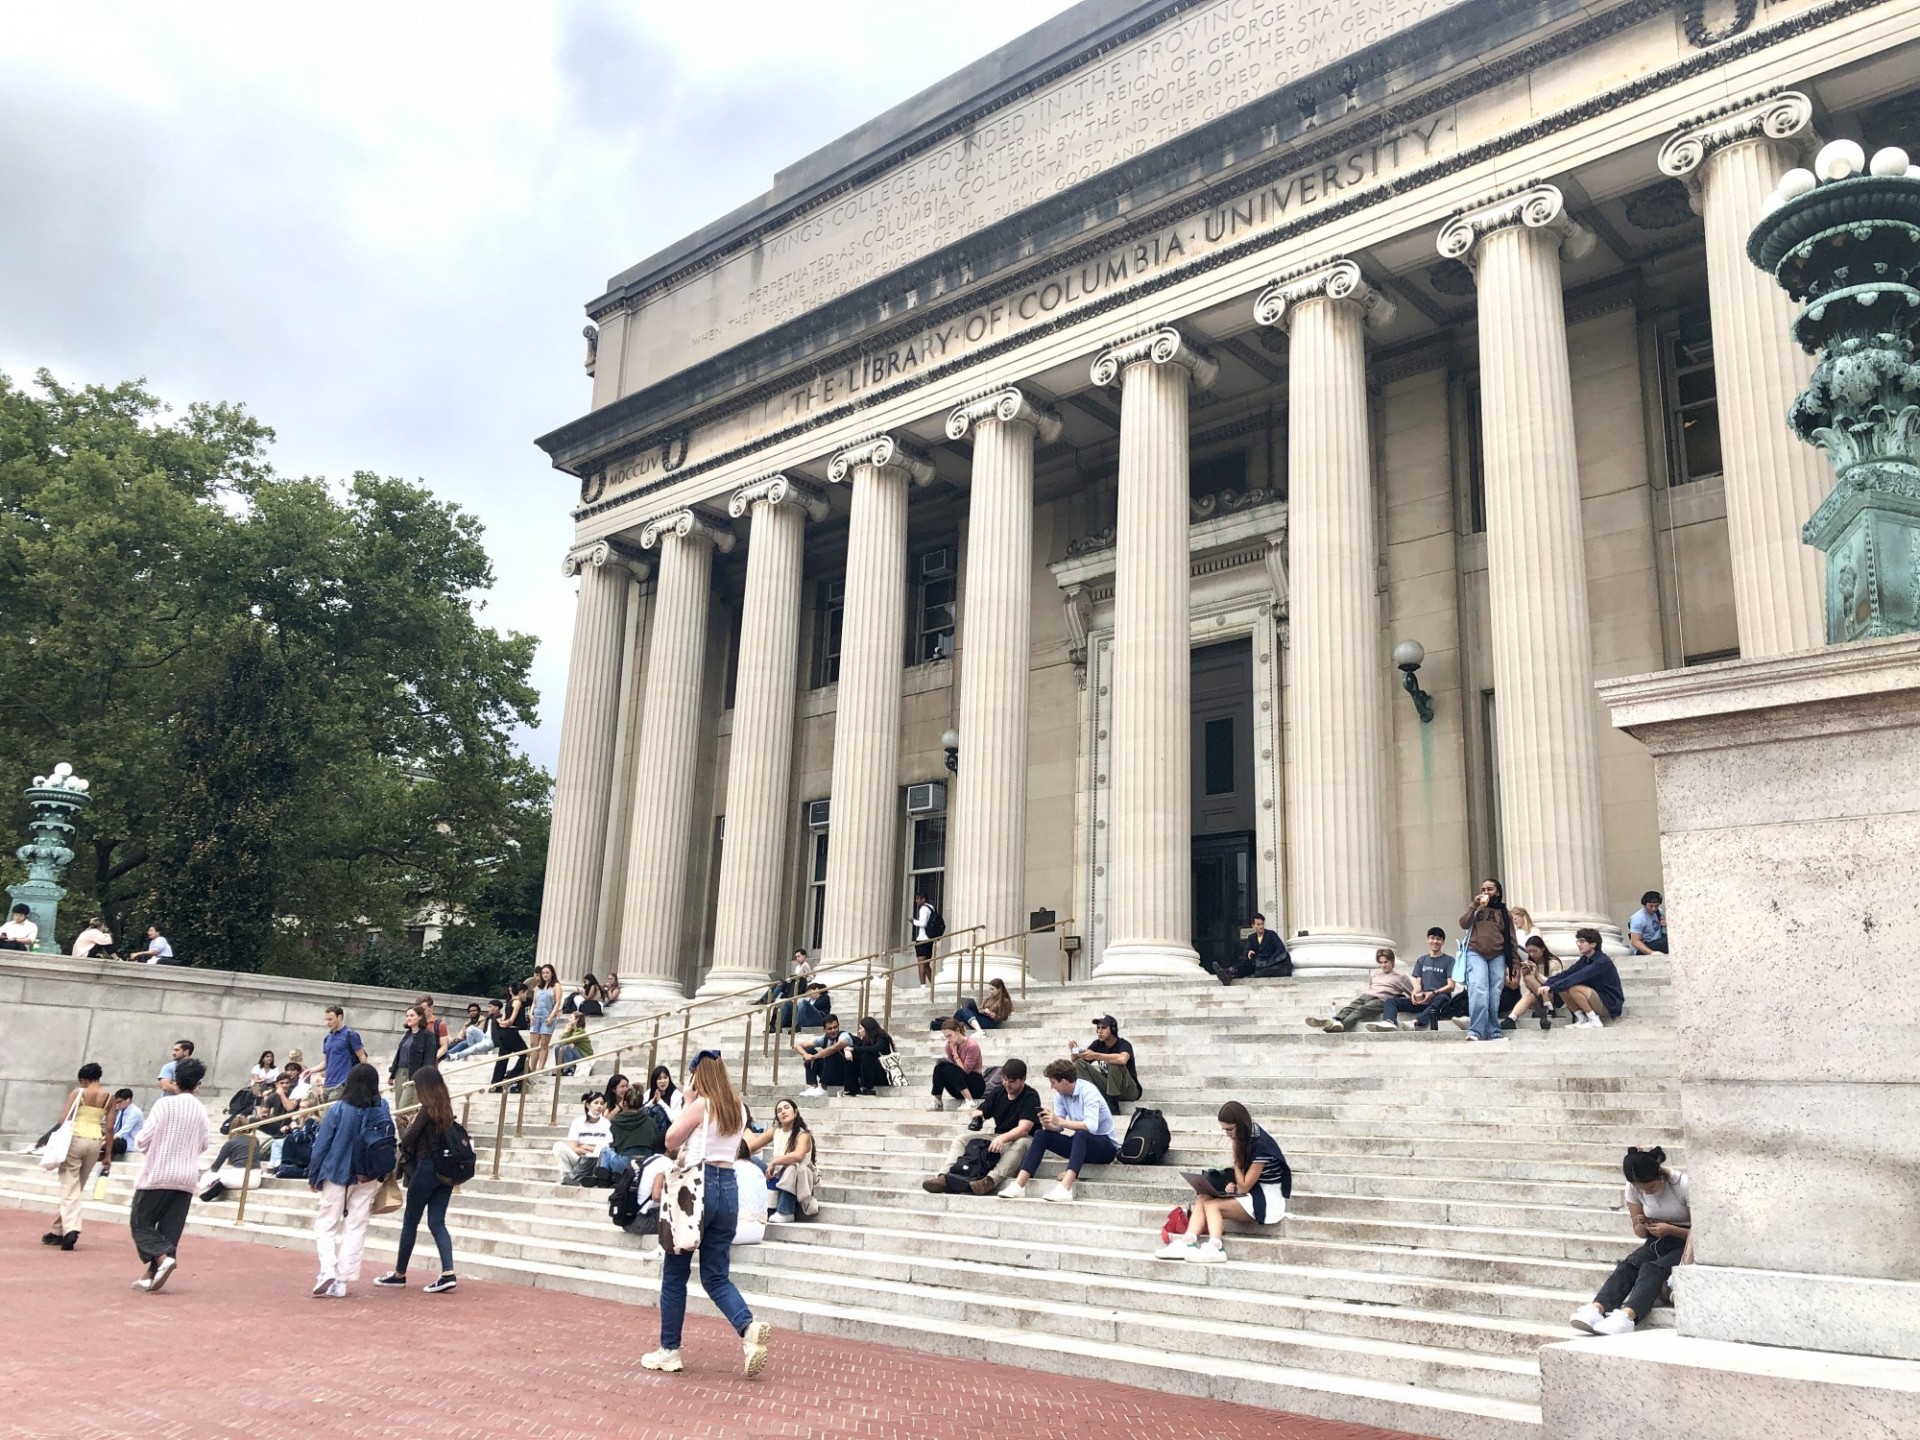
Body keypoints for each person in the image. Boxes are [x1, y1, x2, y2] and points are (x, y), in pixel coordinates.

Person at [642, 1051, 773, 1378]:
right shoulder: (738, 1108)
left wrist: (687, 1102)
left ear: (698, 1075)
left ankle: (669, 1349)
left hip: (695, 1189)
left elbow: (670, 1140)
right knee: (715, 1274)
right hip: (728, 1186)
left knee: (675, 1272)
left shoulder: (701, 1105)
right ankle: (747, 1327)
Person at [1571, 1146, 1690, 1334]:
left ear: (1659, 1175)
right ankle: (1597, 1308)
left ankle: (1628, 1314)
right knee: (1629, 1264)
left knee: (1652, 1268)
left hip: (1686, 1241)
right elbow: (1640, 1232)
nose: (1647, 1192)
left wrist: (1671, 1229)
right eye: (1641, 1189)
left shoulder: (1681, 1184)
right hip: (1656, 1239)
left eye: (1651, 1187)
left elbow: (1702, 1233)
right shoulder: (1633, 1187)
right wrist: (1642, 1224)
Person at [1159, 1100, 1291, 1262]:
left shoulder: (1261, 1145)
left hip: (1267, 1200)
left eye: (1230, 1129)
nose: (1227, 1134)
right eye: (1224, 1129)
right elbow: (1243, 1183)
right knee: (1203, 1198)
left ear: (1241, 1125)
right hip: (1254, 1192)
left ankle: (1216, 1247)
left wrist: (1236, 1161)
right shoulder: (1247, 1137)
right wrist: (1233, 1185)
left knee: (1212, 1205)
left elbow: (1245, 1186)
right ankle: (1188, 1241)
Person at [307, 1061, 392, 1299]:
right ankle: (342, 1280)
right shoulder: (382, 1107)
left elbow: (321, 1144)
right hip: (368, 1174)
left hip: (337, 1171)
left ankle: (327, 1270)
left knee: (326, 1224)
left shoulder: (339, 1108)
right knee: (356, 1226)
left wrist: (314, 1175)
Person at [374, 1066, 460, 1295]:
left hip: (426, 1168)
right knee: (437, 1222)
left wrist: (405, 1126)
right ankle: (448, 1272)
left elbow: (409, 1140)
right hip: (446, 1171)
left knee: (410, 1221)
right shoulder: (446, 1109)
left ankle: (399, 1273)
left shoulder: (426, 1109)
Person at [129, 1055, 209, 1292]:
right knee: (170, 1228)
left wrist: (147, 1147)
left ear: (175, 1080)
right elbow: (204, 1144)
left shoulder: (164, 1104)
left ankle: (163, 1260)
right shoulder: (200, 1109)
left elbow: (144, 1139)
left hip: (158, 1173)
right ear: (197, 1084)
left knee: (140, 1222)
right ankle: (151, 1274)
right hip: (186, 1177)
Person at [999, 1058, 1117, 1203]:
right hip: (1081, 1145)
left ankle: (1065, 1188)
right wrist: (1048, 1123)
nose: (1051, 1087)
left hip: (1105, 1146)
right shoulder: (1060, 1096)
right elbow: (1059, 1127)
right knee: (1041, 1135)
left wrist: (1060, 1121)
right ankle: (1019, 1185)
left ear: (1065, 1081)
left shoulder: (1088, 1092)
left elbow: (1091, 1126)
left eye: (1053, 1082)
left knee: (1081, 1134)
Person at [926, 1056, 1040, 1196]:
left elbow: (1024, 1129)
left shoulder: (1031, 1096)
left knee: (1022, 1142)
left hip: (1023, 1138)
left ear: (1023, 1080)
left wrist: (1002, 1139)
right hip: (999, 1136)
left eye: (1012, 1082)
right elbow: (982, 1109)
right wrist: (978, 1116)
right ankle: (944, 1177)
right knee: (961, 1139)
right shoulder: (999, 1091)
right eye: (1005, 1080)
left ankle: (989, 1181)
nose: (1007, 1084)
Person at [43, 1061, 112, 1250]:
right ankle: (58, 1229)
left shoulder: (78, 1093)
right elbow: (109, 1127)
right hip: (95, 1140)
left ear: (83, 1078)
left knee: (68, 1184)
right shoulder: (109, 1097)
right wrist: (108, 1155)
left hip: (75, 1138)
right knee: (76, 1185)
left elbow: (63, 1119)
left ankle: (71, 1228)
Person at [1458, 877, 1520, 1043]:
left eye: (1489, 889)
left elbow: (1511, 938)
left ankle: (1493, 1031)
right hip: (1475, 952)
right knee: (1478, 989)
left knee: (1494, 995)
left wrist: (1514, 963)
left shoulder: (1504, 913)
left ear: (1497, 892)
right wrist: (1474, 905)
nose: (1486, 892)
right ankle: (1476, 1031)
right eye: (1483, 889)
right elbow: (1463, 923)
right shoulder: (1476, 909)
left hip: (1498, 955)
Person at [1370, 928, 1461, 1031]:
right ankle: (1389, 1022)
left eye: (1438, 939)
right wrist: (1414, 993)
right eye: (1432, 938)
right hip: (1423, 999)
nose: (1435, 941)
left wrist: (1433, 993)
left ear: (1443, 942)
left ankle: (1416, 1022)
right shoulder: (1421, 960)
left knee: (1443, 998)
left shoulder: (1449, 961)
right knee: (1391, 1001)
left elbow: (1451, 986)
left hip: (1439, 999)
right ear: (1427, 940)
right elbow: (1418, 983)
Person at [746, 1096, 816, 1222]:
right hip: (776, 1174)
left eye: (786, 1108)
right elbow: (750, 1147)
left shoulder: (803, 1134)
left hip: (797, 1178)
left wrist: (774, 1162)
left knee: (792, 1167)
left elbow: (798, 1155)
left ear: (795, 1112)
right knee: (748, 1158)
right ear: (777, 1117)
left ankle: (786, 1211)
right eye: (779, 1110)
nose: (783, 1111)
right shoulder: (775, 1131)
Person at [1310, 949, 1414, 1033]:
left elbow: (1413, 994)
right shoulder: (1375, 975)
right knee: (1349, 1008)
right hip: (1366, 996)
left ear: (1392, 961)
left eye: (1386, 962)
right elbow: (1371, 988)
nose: (1383, 965)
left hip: (1381, 1000)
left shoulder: (1401, 977)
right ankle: (1336, 1021)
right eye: (1381, 963)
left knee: (1359, 1011)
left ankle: (1337, 1027)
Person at [1545, 928, 1625, 1027]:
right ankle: (1582, 1019)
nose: (1579, 944)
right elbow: (1567, 974)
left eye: (1582, 941)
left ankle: (1594, 1020)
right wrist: (1547, 984)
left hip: (1609, 1003)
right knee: (1563, 988)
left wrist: (1552, 987)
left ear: (1593, 944)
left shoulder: (1602, 961)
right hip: (1595, 997)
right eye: (1578, 941)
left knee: (1574, 988)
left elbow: (1579, 975)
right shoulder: (1584, 960)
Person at [1070, 1015, 1140, 1104]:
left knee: (1115, 1063)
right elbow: (1076, 1062)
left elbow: (1122, 1059)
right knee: (1078, 1063)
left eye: (1103, 1028)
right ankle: (1090, 1096)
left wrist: (1096, 1055)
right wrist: (1073, 1050)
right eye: (1098, 1028)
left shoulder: (1124, 1044)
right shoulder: (1097, 1044)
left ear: (1113, 1029)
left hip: (1128, 1090)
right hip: (1108, 1088)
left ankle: (1113, 1104)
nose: (1099, 1031)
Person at [307, 1005, 368, 1102]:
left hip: (342, 1083)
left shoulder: (350, 1035)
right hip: (328, 1083)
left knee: (330, 1113)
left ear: (339, 1017)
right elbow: (326, 1062)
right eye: (326, 1020)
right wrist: (312, 1070)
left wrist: (360, 1078)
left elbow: (362, 1057)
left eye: (331, 1019)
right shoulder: (328, 1038)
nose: (328, 1023)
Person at [1504, 935, 1565, 1029]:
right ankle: (1511, 1018)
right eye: (1529, 951)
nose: (1532, 954)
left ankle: (1548, 1008)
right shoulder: (1530, 963)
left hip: (1554, 996)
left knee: (1530, 978)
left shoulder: (1553, 963)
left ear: (1543, 949)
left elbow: (1555, 984)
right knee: (1529, 995)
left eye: (1534, 951)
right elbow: (1529, 988)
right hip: (1539, 997)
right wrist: (1524, 975)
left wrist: (1537, 975)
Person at [554, 1091, 612, 1185]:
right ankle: (569, 1176)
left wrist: (584, 1146)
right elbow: (573, 1148)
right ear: (588, 1105)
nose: (599, 1106)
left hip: (596, 1161)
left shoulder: (606, 1124)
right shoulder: (578, 1122)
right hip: (579, 1159)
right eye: (596, 1103)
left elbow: (605, 1150)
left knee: (602, 1148)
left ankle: (581, 1178)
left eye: (601, 1103)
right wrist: (592, 1149)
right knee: (558, 1147)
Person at [600, 1087, 662, 1175]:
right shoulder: (651, 1121)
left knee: (606, 1151)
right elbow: (655, 1142)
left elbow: (614, 1144)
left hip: (624, 1163)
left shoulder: (616, 1121)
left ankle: (604, 1179)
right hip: (646, 1164)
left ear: (624, 1103)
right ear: (641, 1104)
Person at [929, 1018, 986, 1111]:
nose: (948, 1039)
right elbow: (953, 1067)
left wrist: (955, 1053)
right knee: (939, 1068)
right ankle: (937, 1101)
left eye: (949, 1036)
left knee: (949, 1069)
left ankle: (970, 1101)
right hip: (959, 1085)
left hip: (975, 1084)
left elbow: (965, 1070)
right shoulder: (949, 1045)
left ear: (957, 1031)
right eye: (946, 1037)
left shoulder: (971, 1045)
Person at [794, 1015, 856, 1097]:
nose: (833, 1030)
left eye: (835, 1027)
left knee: (831, 1052)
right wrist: (806, 1055)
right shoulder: (824, 1039)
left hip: (844, 1073)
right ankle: (813, 1086)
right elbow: (798, 1046)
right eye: (829, 1029)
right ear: (824, 1030)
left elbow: (834, 1048)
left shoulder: (844, 1035)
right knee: (809, 1050)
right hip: (830, 1073)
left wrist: (815, 1057)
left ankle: (823, 1088)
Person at [1220, 911, 1288, 984]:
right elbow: (1246, 952)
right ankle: (1229, 975)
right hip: (1256, 964)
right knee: (1247, 964)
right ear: (1253, 925)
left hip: (1270, 964)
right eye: (1258, 924)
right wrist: (1248, 952)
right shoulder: (1251, 938)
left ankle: (1229, 971)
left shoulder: (1272, 935)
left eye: (1262, 924)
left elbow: (1281, 948)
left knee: (1248, 965)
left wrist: (1272, 959)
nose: (1261, 926)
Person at [389, 1005, 435, 1109]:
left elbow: (429, 1058)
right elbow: (399, 1055)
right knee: (398, 1108)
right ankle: (401, 1126)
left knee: (405, 1107)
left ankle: (409, 1125)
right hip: (400, 1072)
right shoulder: (408, 1034)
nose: (408, 1018)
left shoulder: (427, 1035)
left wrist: (424, 1076)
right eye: (407, 1015)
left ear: (420, 1017)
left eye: (412, 1015)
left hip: (414, 1074)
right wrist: (392, 1073)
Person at [490, 983, 530, 1088]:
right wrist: (505, 1023)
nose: (526, 995)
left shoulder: (508, 1002)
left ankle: (496, 1083)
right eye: (526, 993)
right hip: (511, 1032)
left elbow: (503, 1018)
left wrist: (502, 1023)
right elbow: (511, 1020)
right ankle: (512, 1076)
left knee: (503, 1058)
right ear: (521, 992)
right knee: (526, 1055)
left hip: (503, 1033)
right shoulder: (517, 1002)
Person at [847, 1016, 895, 1096]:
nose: (859, 1031)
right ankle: (852, 1088)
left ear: (867, 1028)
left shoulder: (882, 1037)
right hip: (872, 1074)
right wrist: (847, 1050)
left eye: (861, 1028)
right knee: (852, 1057)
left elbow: (874, 1049)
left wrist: (853, 1049)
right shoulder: (866, 1039)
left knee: (867, 1056)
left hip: (884, 1074)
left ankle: (868, 1089)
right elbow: (858, 1047)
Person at [528, 964, 561, 1072]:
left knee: (544, 1043)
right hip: (536, 1015)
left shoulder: (556, 986)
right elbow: (534, 1002)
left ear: (552, 973)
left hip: (548, 1015)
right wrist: (531, 1014)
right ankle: (531, 1068)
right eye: (543, 973)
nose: (545, 975)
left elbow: (557, 1003)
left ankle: (540, 1067)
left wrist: (551, 1016)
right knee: (533, 1043)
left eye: (547, 973)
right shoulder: (538, 987)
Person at [644, 1065, 683, 1131]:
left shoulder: (676, 1095)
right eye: (659, 1078)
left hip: (669, 1132)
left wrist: (660, 1102)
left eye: (665, 1077)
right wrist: (652, 1102)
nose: (663, 1081)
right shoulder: (648, 1093)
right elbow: (642, 1113)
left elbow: (675, 1120)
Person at [416, 995, 453, 1062]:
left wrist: (431, 1059)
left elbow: (444, 1047)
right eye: (418, 1010)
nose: (420, 1012)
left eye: (423, 1010)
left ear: (431, 1008)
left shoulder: (440, 1024)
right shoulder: (415, 1022)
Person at [911, 891, 936, 988]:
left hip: (922, 939)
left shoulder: (923, 909)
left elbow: (923, 923)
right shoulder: (931, 908)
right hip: (930, 939)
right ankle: (933, 986)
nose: (916, 901)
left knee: (921, 963)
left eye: (918, 898)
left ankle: (922, 986)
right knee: (926, 965)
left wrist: (913, 921)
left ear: (923, 899)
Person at [109, 1089, 143, 1158]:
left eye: (119, 1102)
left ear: (128, 1099)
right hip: (120, 1141)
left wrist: (109, 1139)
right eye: (116, 1103)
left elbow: (124, 1131)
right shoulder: (121, 1112)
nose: (117, 1105)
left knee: (112, 1143)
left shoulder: (135, 1112)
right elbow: (115, 1128)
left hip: (129, 1143)